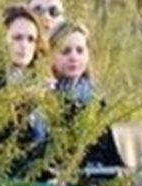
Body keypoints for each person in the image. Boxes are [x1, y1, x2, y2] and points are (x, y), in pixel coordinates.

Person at [48, 21, 122, 168]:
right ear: (52, 55)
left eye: (80, 51)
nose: (73, 57)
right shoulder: (47, 97)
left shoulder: (95, 99)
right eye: (65, 51)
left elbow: (109, 152)